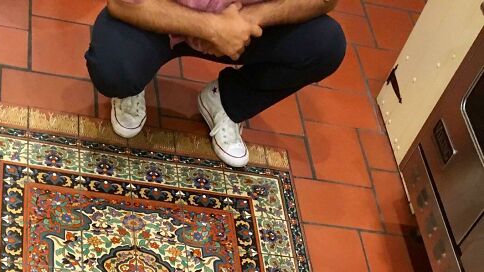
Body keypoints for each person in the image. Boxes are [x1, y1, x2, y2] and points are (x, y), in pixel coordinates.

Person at [85, 0, 346, 168]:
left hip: (240, 23)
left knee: (325, 45)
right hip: (161, 18)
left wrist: (251, 18)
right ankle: (132, 83)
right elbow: (122, 3)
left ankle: (227, 101)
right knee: (114, 69)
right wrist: (210, 27)